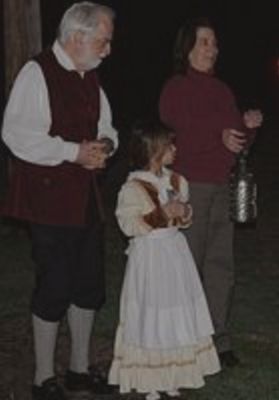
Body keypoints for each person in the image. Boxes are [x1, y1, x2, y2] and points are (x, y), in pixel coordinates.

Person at [1, 2, 118, 399]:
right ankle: (42, 377)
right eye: (103, 41)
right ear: (76, 37)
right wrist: (73, 152)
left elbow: (105, 126)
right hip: (48, 202)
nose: (107, 49)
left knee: (88, 284)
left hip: (84, 200)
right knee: (55, 285)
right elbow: (16, 134)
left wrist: (106, 144)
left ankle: (79, 371)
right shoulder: (37, 73)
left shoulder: (90, 77)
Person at [159, 18, 263, 368]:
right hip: (190, 189)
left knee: (221, 266)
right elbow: (177, 135)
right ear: (187, 47)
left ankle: (217, 339)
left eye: (214, 42)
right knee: (187, 267)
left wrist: (246, 128)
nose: (212, 48)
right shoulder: (176, 87)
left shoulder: (222, 90)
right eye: (204, 42)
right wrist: (217, 135)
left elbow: (233, 141)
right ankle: (184, 338)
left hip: (221, 186)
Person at [109, 121, 220, 400]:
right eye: (169, 145)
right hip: (150, 256)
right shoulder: (133, 187)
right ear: (153, 150)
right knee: (152, 309)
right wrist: (159, 215)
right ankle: (150, 378)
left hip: (174, 254)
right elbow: (128, 225)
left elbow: (184, 219)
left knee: (174, 307)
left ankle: (173, 374)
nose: (175, 149)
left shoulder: (177, 181)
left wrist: (183, 213)